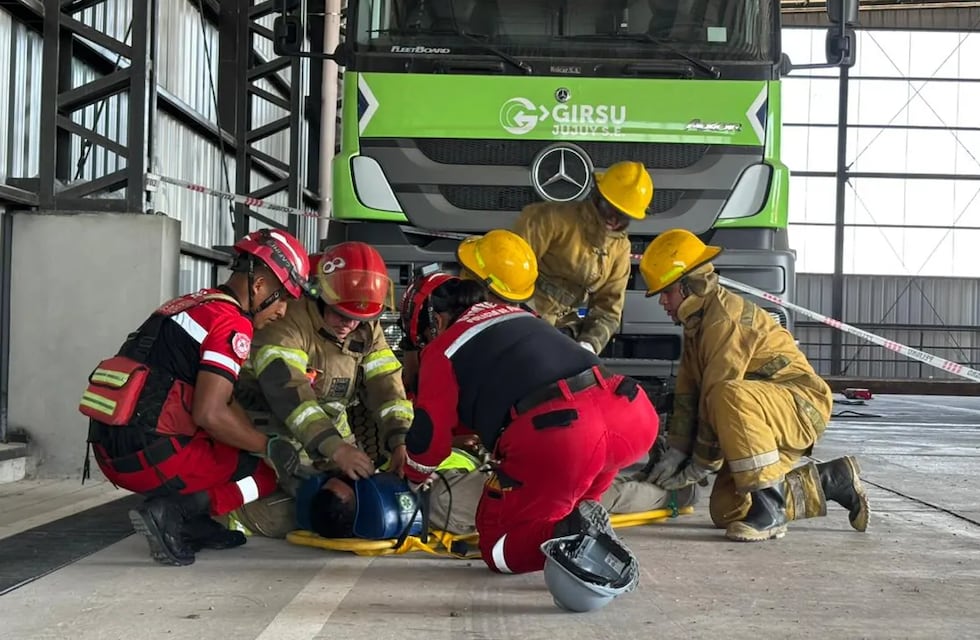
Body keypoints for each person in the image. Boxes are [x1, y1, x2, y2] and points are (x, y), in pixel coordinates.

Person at [80, 229, 313, 566]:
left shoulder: (189, 304)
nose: (282, 311)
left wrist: (254, 440)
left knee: (237, 451)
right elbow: (211, 414)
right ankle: (174, 512)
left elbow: (223, 400)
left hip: (109, 449)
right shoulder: (232, 323)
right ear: (260, 286)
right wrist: (269, 446)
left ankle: (194, 524)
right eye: (283, 298)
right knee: (261, 475)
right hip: (151, 456)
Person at [401, 277, 660, 579]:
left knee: (499, 549)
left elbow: (429, 440)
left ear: (437, 321)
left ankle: (574, 533)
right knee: (575, 508)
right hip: (631, 411)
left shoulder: (443, 350)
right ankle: (588, 545)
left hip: (567, 434)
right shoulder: (523, 315)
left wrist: (412, 477)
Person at [639, 229, 870, 542]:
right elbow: (687, 395)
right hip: (764, 412)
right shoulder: (697, 326)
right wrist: (677, 450)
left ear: (689, 285)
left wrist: (701, 462)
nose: (662, 301)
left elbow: (718, 393)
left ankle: (771, 510)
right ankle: (833, 480)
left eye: (666, 292)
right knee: (728, 511)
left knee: (727, 394)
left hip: (800, 404)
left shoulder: (725, 319)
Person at [233, 241, 414, 486]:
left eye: (357, 318)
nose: (349, 325)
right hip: (274, 435)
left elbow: (386, 383)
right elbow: (290, 393)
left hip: (333, 435)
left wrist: (400, 440)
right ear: (322, 297)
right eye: (341, 314)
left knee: (360, 492)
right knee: (303, 501)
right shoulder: (287, 321)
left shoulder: (365, 325)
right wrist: (335, 447)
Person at [512, 160, 654, 355]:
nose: (613, 219)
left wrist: (589, 344)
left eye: (622, 215)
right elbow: (509, 276)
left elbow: (608, 311)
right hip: (522, 317)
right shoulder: (550, 219)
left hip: (564, 330)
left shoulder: (620, 249)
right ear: (598, 197)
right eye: (609, 208)